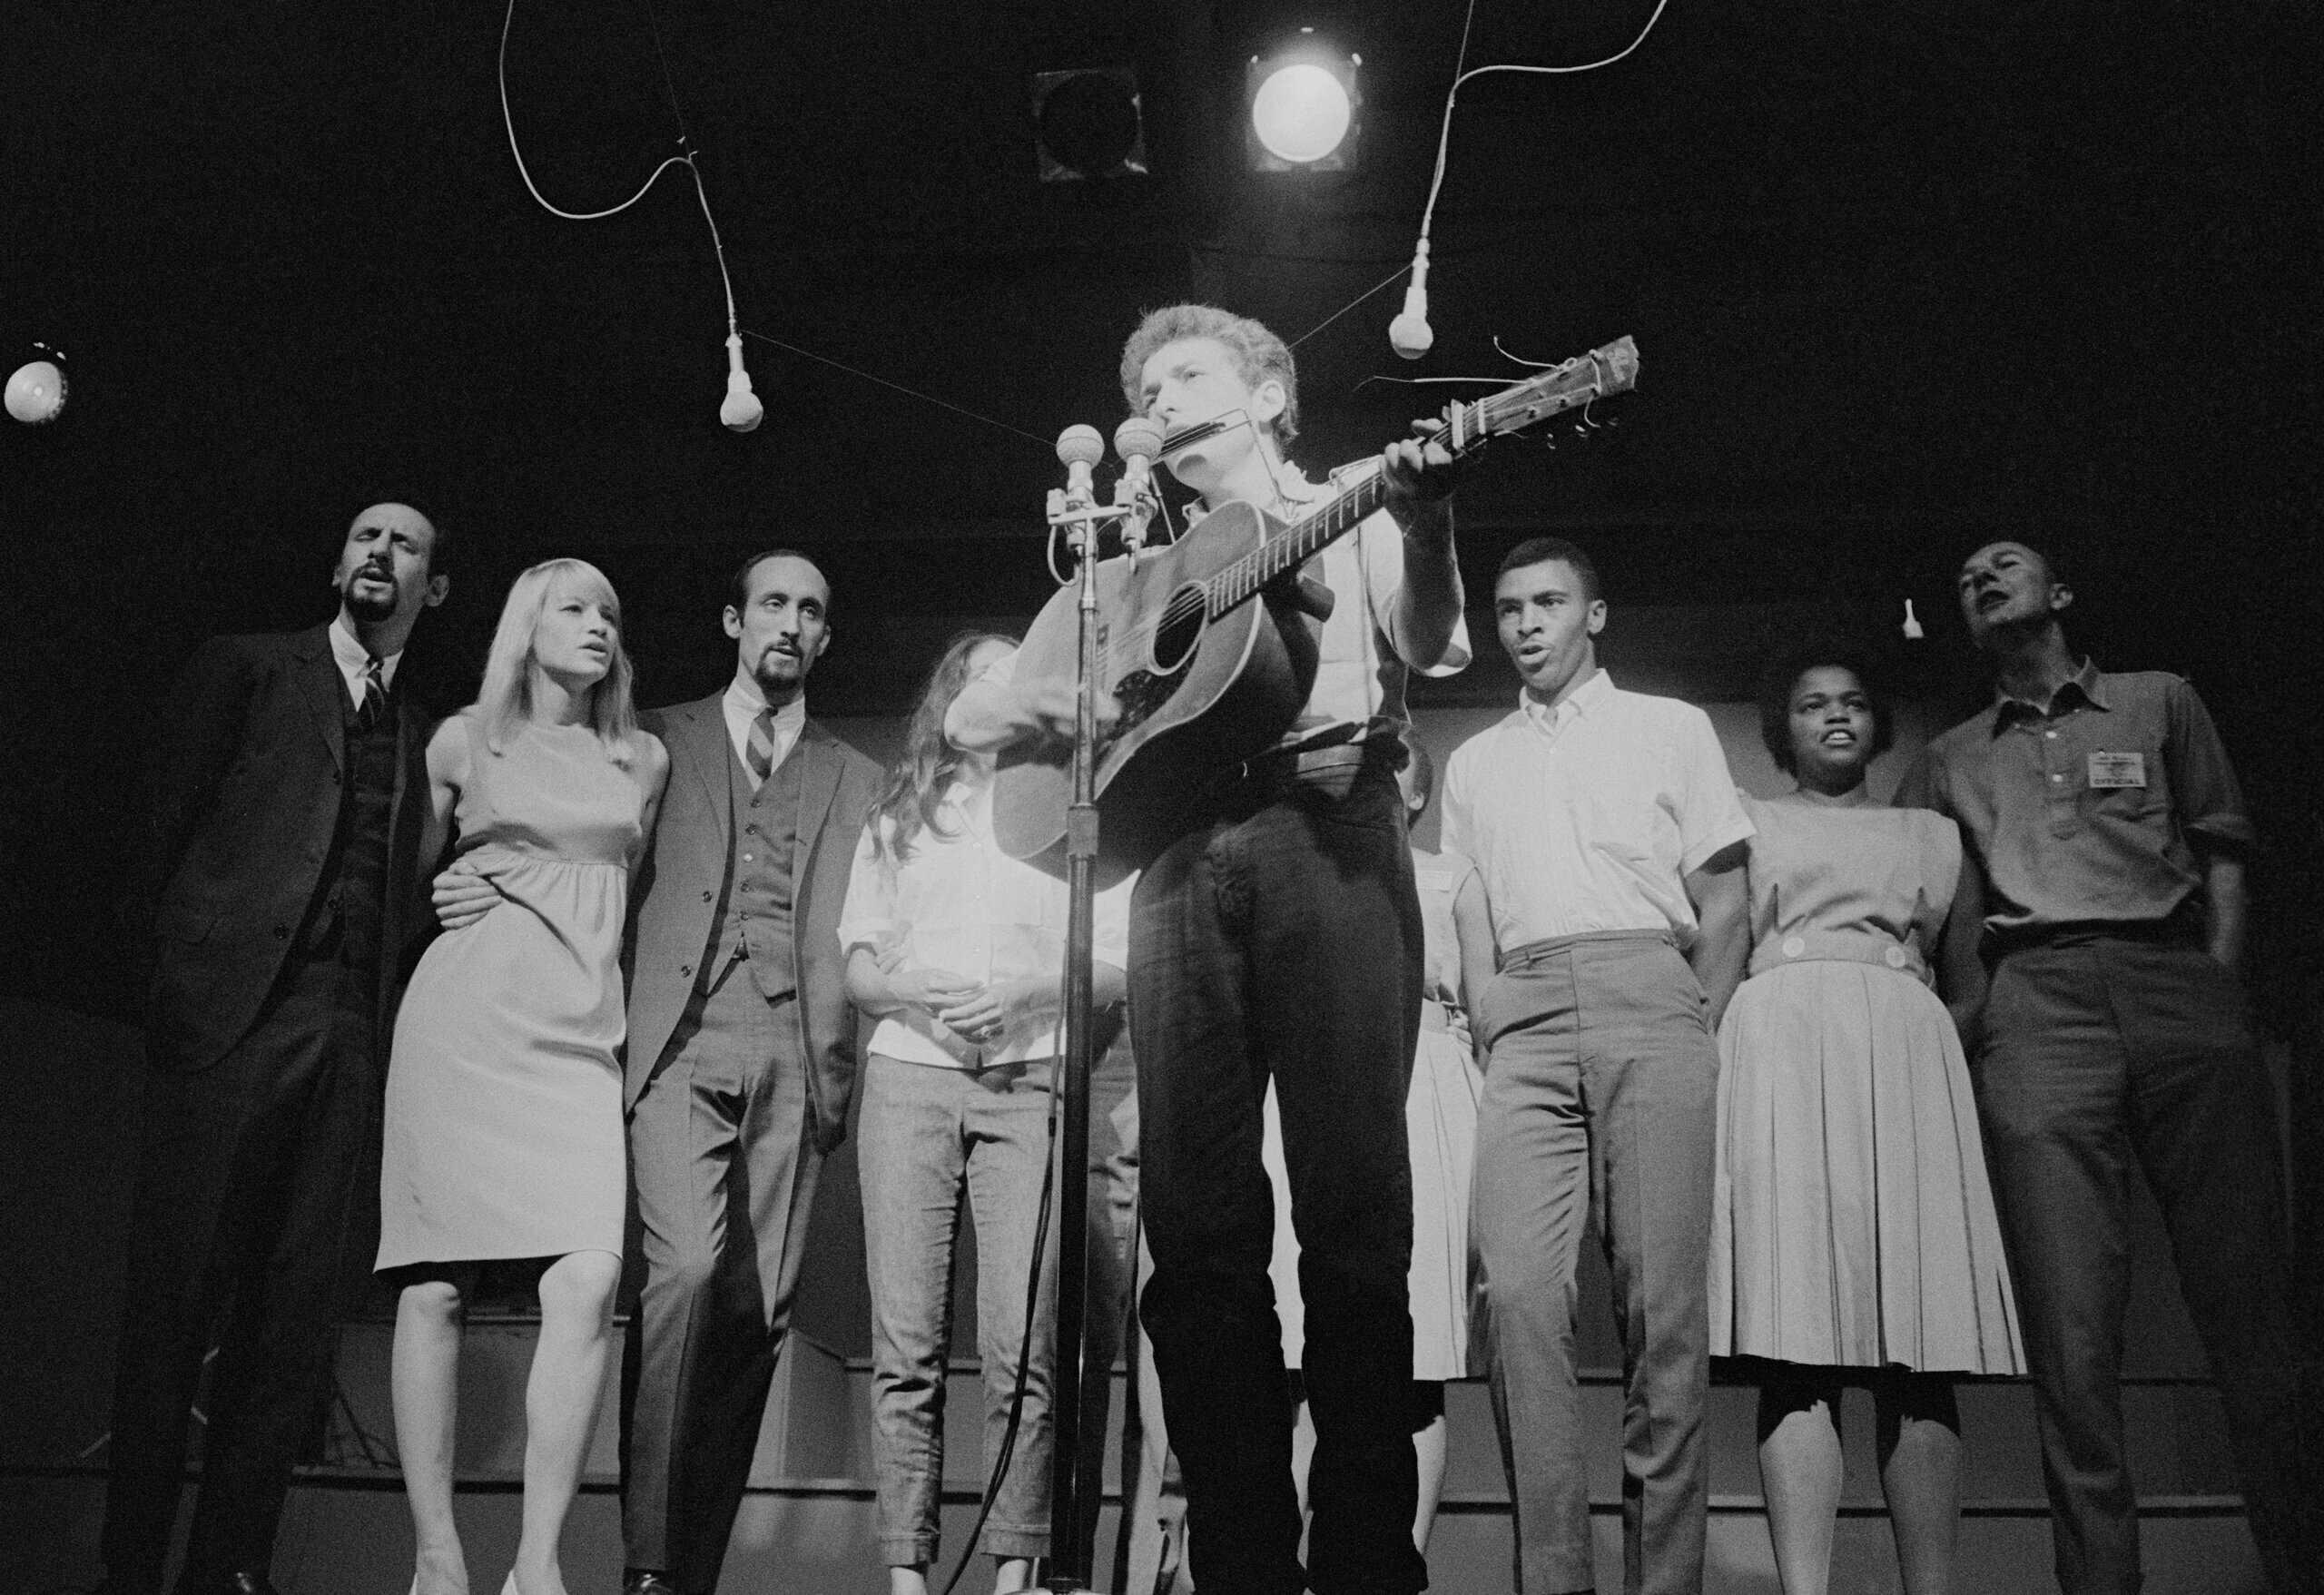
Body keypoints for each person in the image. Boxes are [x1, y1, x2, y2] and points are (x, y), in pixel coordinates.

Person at [948, 302, 1470, 1595]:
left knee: (1354, 1214)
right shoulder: (1134, 579)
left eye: (1185, 375)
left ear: (1270, 394)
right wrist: (1047, 693)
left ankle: (1365, 1562)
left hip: (1329, 822)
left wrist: (1430, 521)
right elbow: (968, 718)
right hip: (1180, 850)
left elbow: (1430, 641)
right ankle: (1240, 1565)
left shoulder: (1357, 499)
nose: (1160, 401)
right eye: (1146, 390)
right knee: (1193, 1237)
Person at [435, 547, 882, 1595]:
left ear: (824, 636)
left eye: (809, 610)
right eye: (771, 603)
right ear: (734, 620)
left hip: (796, 1051)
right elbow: (557, 822)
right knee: (683, 1273)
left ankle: (690, 1572)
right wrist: (481, 879)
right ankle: (646, 1562)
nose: (789, 622)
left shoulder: (859, 777)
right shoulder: (654, 742)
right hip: (676, 1035)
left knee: (756, 1317)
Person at [1896, 540, 2318, 1595]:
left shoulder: (2158, 699)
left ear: (2061, 592)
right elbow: (1931, 908)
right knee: (2072, 1333)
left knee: (2252, 1308)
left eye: (2004, 562)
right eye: (1966, 576)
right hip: (2037, 1003)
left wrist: (2215, 984)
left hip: (2175, 981)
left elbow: (2223, 850)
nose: (1981, 576)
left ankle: (2302, 1560)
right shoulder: (1949, 756)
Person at [100, 499, 448, 1595]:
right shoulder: (249, 668)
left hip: (348, 1040)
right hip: (232, 1020)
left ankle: (230, 1569)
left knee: (290, 1323)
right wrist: (174, 988)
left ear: (434, 588)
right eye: (364, 537)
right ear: (338, 563)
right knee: (175, 1306)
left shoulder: (425, 729)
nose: (378, 553)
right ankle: (128, 1567)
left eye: (403, 544)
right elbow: (159, 819)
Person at [1442, 536, 1753, 1595]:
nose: (1526, 623)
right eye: (1508, 607)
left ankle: (1661, 1582)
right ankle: (1554, 1577)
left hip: (1648, 993)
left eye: (1548, 601)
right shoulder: (1475, 759)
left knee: (1661, 1313)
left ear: (1595, 613)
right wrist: (1490, 1008)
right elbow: (1470, 902)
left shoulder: (1670, 726)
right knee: (1519, 1295)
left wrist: (1691, 1022)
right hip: (1524, 1014)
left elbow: (1725, 899)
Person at [380, 559, 668, 1595]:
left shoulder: (640, 756)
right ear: (524, 627)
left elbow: (622, 888)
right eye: (574, 608)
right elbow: (406, 877)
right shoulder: (463, 740)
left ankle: (537, 1563)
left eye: (610, 612)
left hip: (577, 1040)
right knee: (435, 1287)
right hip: (464, 1025)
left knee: (587, 1278)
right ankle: (436, 1554)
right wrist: (451, 889)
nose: (598, 626)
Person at [1711, 650, 2023, 1595]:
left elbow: (1968, 980)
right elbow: (1720, 945)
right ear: (1784, 727)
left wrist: (1916, 1048)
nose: (1835, 716)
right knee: (1794, 1337)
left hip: (1902, 1064)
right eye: (1812, 704)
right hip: (1781, 1055)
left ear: (1878, 722)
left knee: (1917, 1346)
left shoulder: (1930, 832)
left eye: (1851, 702)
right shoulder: (1746, 820)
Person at [838, 632, 1134, 1595]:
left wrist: (1026, 995)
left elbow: (1113, 962)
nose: (998, 691)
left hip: (1031, 1076)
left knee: (1024, 1343)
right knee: (906, 1344)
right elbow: (859, 964)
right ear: (951, 699)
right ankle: (905, 1574)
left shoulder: (1074, 809)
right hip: (911, 1077)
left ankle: (1015, 1570)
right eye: (979, 676)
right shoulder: (902, 814)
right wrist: (912, 987)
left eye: (1017, 674)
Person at [1258, 727, 1494, 1554]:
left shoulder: (1450, 877)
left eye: (1390, 769)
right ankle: (1292, 1558)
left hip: (1425, 1089)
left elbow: (1484, 1005)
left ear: (1417, 792)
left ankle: (1400, 1556)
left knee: (1415, 1350)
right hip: (1316, 1078)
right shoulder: (1299, 867)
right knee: (1301, 1348)